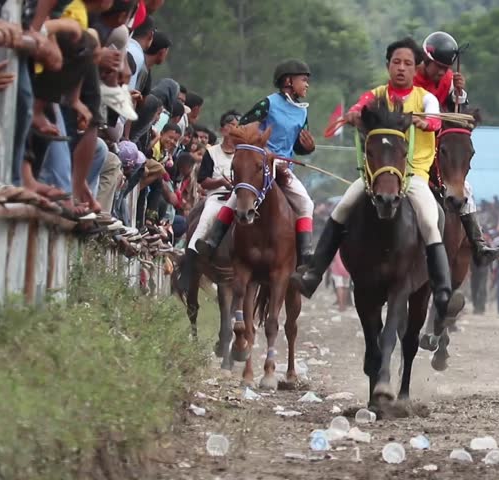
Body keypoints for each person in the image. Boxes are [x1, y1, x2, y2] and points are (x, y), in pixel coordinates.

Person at [291, 38, 452, 317]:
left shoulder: (425, 99)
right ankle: (313, 275)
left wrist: (423, 121)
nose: (401, 68)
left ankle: (442, 288)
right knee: (342, 208)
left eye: (408, 64)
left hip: (412, 176)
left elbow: (436, 121)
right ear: (388, 65)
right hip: (375, 177)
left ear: (416, 69)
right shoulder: (375, 95)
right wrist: (354, 115)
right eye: (396, 62)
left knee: (429, 218)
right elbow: (358, 108)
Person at [194, 60, 316, 266]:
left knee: (306, 203)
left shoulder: (302, 111)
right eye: (303, 80)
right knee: (236, 198)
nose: (307, 85)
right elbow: (243, 127)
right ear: (288, 81)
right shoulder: (268, 104)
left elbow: (296, 146)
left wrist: (308, 148)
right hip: (261, 166)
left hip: (284, 169)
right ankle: (212, 242)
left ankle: (304, 258)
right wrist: (262, 150)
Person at [414, 31, 499, 266]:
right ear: (426, 59)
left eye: (446, 67)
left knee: (465, 189)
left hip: (441, 146)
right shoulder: (411, 80)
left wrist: (460, 93)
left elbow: (458, 112)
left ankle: (478, 244)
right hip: (412, 147)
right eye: (438, 67)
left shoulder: (450, 79)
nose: (442, 72)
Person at [176, 110, 239, 290]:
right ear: (223, 129)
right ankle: (189, 266)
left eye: (238, 126)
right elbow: (203, 181)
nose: (235, 129)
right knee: (204, 220)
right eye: (232, 125)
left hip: (239, 197)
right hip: (218, 196)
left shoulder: (244, 152)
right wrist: (220, 181)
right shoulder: (211, 153)